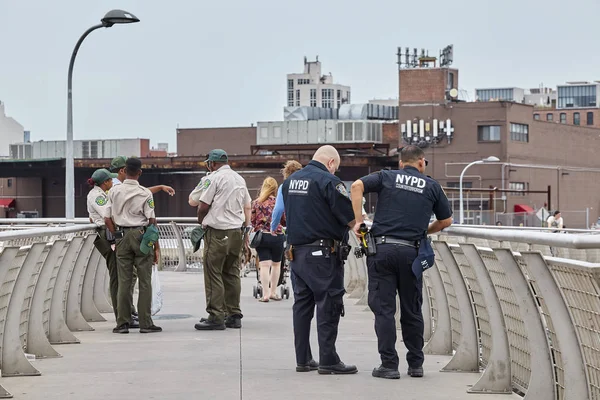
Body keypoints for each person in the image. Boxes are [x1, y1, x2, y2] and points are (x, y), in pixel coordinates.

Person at [350, 145, 453, 380]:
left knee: (384, 310)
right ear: (421, 163)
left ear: (400, 163)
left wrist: (359, 222)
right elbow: (446, 220)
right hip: (411, 253)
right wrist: (424, 230)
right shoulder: (431, 185)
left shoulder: (386, 177)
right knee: (411, 309)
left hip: (383, 251)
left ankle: (389, 365)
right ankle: (416, 364)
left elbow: (356, 186)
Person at [281, 145, 357, 375]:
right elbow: (349, 218)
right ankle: (328, 360)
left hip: (296, 254)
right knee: (328, 304)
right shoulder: (328, 182)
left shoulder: (290, 182)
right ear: (331, 163)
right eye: (337, 168)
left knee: (302, 307)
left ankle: (303, 359)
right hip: (323, 256)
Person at [109, 156, 175, 322]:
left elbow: (106, 216)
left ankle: (122, 322)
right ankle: (146, 322)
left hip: (121, 236)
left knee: (124, 281)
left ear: (124, 170)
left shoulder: (114, 191)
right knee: (144, 281)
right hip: (140, 235)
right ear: (140, 172)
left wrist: (115, 235)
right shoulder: (145, 193)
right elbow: (151, 220)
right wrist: (155, 246)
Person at [194, 149, 252, 331]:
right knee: (232, 273)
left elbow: (203, 205)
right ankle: (234, 314)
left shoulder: (214, 178)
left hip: (217, 232)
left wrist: (202, 222)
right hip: (236, 232)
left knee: (214, 273)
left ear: (212, 163)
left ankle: (216, 315)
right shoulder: (239, 179)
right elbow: (247, 205)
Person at [86, 168, 119, 319]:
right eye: (110, 180)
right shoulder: (97, 196)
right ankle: (121, 312)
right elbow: (107, 214)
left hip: (107, 232)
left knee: (118, 272)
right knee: (116, 272)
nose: (112, 181)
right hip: (106, 234)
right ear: (105, 182)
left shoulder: (100, 194)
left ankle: (124, 311)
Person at [251, 177, 286, 302]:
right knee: (276, 265)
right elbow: (284, 220)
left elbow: (253, 221)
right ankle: (273, 292)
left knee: (264, 265)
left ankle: (265, 295)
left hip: (262, 237)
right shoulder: (279, 202)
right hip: (277, 236)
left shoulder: (256, 202)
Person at [270, 160, 302, 231]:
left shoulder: (284, 187)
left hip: (293, 227)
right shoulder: (307, 185)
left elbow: (279, 209)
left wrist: (273, 227)